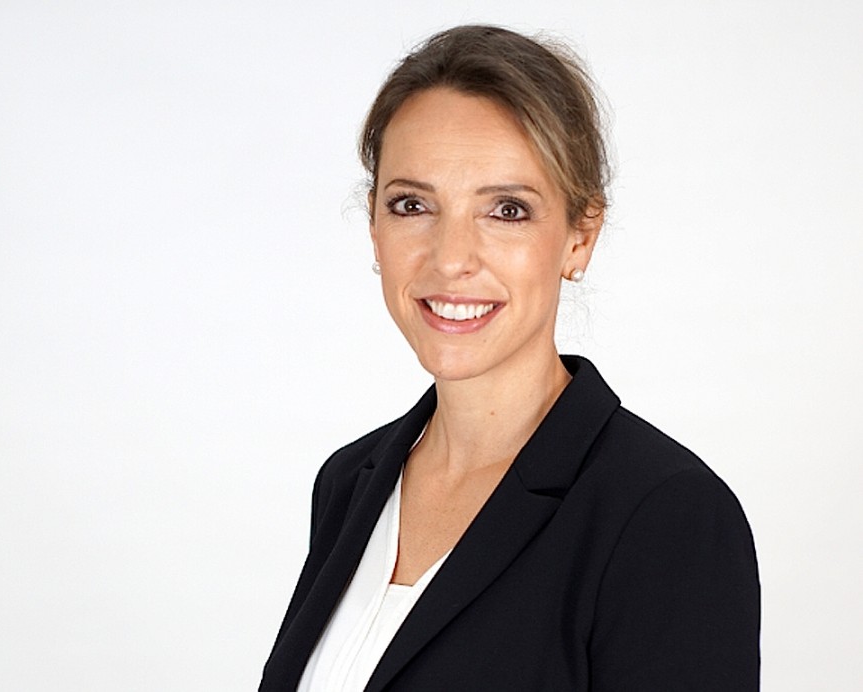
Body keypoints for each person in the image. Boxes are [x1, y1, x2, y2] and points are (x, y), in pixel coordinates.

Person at [259, 25, 760, 691]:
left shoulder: (665, 516)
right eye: (412, 205)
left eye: (506, 210)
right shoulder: (350, 482)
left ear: (580, 238)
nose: (450, 259)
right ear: (375, 227)